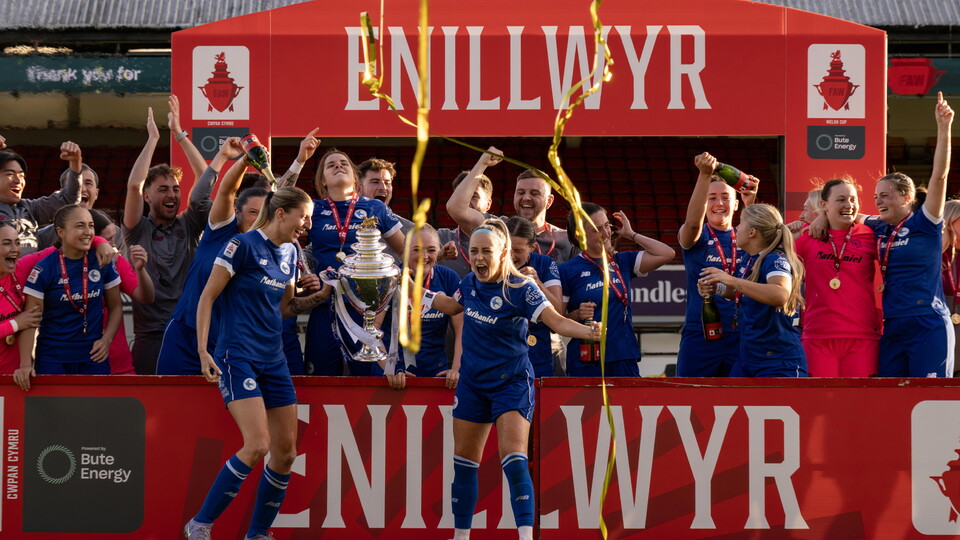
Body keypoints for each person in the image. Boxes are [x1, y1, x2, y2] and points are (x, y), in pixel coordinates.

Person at [422, 219, 601, 540]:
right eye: (473, 251)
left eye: (486, 251)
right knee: (463, 463)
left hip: (511, 383)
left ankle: (524, 535)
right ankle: (461, 535)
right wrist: (414, 290)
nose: (478, 257)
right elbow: (452, 305)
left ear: (502, 252)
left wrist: (589, 332)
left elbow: (557, 322)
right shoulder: (470, 284)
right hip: (473, 384)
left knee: (514, 459)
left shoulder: (522, 288)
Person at [184, 187, 330, 540]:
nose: (307, 224)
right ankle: (200, 525)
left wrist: (323, 294)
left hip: (274, 359)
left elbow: (285, 309)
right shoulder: (242, 246)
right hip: (238, 357)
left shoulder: (292, 252)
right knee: (257, 446)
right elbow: (208, 296)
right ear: (281, 214)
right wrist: (204, 350)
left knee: (285, 454)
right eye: (303, 215)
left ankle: (258, 534)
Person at [121, 106, 223, 374]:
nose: (172, 194)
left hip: (190, 330)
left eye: (176, 189)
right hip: (151, 335)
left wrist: (179, 134)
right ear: (147, 197)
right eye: (163, 189)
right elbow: (134, 185)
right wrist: (153, 139)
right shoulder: (136, 229)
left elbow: (206, 181)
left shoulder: (189, 224)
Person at [863, 93, 954, 377]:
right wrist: (804, 223)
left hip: (927, 321)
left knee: (931, 402)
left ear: (906, 197)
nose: (879, 202)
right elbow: (840, 213)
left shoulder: (925, 222)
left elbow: (939, 176)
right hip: (893, 324)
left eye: (886, 196)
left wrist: (943, 127)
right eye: (876, 196)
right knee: (890, 402)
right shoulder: (879, 226)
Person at [302, 148, 404, 376]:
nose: (338, 166)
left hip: (367, 309)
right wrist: (300, 160)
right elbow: (279, 204)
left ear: (355, 177)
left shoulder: (375, 208)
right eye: (331, 165)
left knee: (369, 377)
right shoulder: (313, 209)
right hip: (324, 306)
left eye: (344, 163)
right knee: (321, 379)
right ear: (323, 180)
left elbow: (405, 253)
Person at [560, 203, 675, 376]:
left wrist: (631, 234)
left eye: (607, 225)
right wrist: (575, 315)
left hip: (623, 356)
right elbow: (557, 321)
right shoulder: (567, 270)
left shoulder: (623, 261)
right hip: (585, 358)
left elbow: (667, 253)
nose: (606, 233)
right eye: (597, 229)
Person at [699, 204, 807, 377]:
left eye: (741, 223)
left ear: (752, 232)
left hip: (777, 361)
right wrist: (717, 288)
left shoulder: (775, 258)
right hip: (748, 358)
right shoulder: (751, 258)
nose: (736, 228)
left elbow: (780, 294)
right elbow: (745, 293)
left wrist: (732, 280)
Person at [16, 205, 122, 378]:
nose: (88, 231)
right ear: (61, 232)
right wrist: (26, 364)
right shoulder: (45, 269)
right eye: (80, 226)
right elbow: (30, 320)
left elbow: (116, 306)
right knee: (55, 406)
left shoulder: (102, 261)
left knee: (94, 405)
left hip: (93, 357)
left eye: (91, 225)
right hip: (53, 359)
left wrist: (107, 339)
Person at [677, 152, 758, 377]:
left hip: (742, 334)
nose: (719, 203)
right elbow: (692, 222)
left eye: (725, 197)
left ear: (735, 205)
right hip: (701, 334)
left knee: (742, 401)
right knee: (689, 401)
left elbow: (765, 239)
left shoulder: (747, 236)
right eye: (712, 198)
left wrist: (751, 204)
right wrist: (704, 175)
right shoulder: (697, 235)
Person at [795, 178, 880, 377]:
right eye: (841, 199)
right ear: (824, 204)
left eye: (853, 199)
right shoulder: (808, 238)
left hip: (863, 336)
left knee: (859, 403)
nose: (848, 205)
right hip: (818, 336)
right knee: (820, 404)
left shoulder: (870, 235)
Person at [447, 148, 580, 265]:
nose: (526, 197)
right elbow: (456, 208)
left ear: (549, 201)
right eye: (521, 192)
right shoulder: (499, 227)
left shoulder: (566, 240)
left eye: (534, 193)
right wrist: (482, 163)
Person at [401, 224, 461, 387]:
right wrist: (389, 368)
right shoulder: (391, 276)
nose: (424, 256)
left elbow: (462, 328)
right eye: (417, 249)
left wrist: (456, 369)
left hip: (437, 375)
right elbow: (375, 329)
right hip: (397, 375)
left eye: (431, 250)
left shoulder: (448, 278)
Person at [0, 141, 82, 254]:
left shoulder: (29, 208)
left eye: (21, 176)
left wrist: (75, 162)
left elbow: (68, 199)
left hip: (29, 270)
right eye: (10, 174)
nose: (18, 181)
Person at [506, 216, 561, 377]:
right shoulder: (492, 267)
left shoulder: (545, 264)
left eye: (518, 251)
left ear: (532, 247)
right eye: (507, 249)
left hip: (537, 357)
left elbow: (559, 311)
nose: (511, 256)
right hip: (502, 358)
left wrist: (538, 285)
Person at [438, 169, 495, 278]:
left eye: (474, 196)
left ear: (488, 204)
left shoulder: (504, 232)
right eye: (460, 198)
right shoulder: (441, 238)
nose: (465, 202)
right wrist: (438, 256)